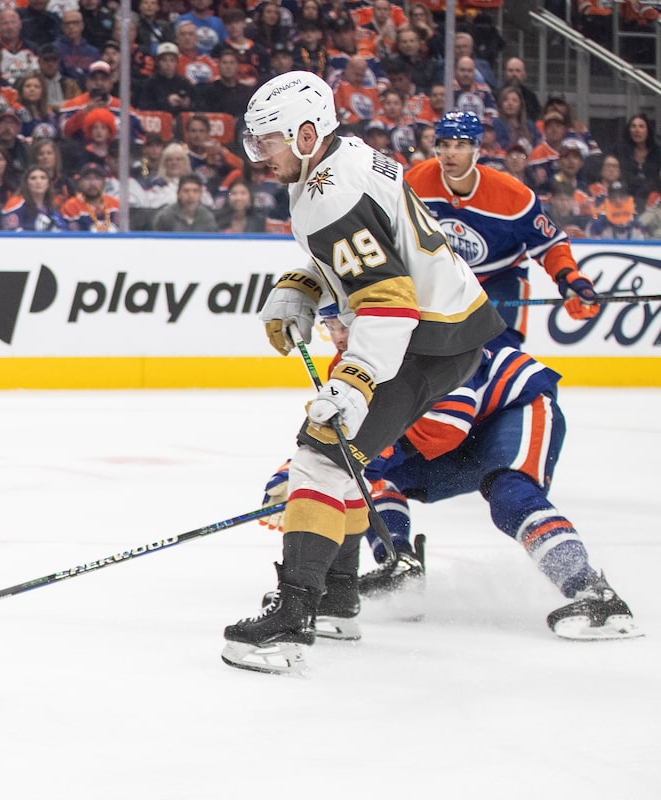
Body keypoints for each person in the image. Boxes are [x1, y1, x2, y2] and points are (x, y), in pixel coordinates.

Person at [222, 71, 505, 675]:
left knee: (322, 454)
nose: (258, 155)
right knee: (342, 458)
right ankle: (337, 598)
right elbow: (367, 251)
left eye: (267, 141)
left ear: (306, 135)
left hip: (424, 338)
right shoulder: (342, 158)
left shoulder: (330, 193)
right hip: (443, 328)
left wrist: (355, 382)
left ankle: (294, 618)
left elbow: (388, 301)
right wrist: (305, 283)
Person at [262, 304, 640, 641]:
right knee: (370, 481)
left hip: (509, 410)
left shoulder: (421, 342)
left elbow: (448, 422)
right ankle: (401, 566)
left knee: (511, 495)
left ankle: (596, 595)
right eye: (330, 326)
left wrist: (364, 461)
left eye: (344, 324)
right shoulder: (349, 365)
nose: (339, 337)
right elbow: (339, 440)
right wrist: (294, 478)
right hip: (446, 436)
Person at [404, 112, 602, 350]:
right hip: (442, 281)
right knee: (433, 362)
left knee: (500, 357)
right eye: (444, 144)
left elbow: (549, 243)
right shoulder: (415, 182)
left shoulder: (512, 196)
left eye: (461, 145)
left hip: (499, 279)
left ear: (477, 149)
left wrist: (568, 278)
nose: (450, 153)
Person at [1, 165, 66, 231]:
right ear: (26, 183)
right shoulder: (16, 203)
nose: (38, 182)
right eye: (33, 178)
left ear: (48, 184)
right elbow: (11, 232)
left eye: (43, 178)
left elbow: (63, 233)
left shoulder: (53, 211)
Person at [60, 163, 120, 232]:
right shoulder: (71, 206)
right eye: (87, 178)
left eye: (97, 178)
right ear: (80, 182)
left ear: (104, 182)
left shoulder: (115, 204)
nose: (92, 183)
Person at [149, 173, 217, 232]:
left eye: (195, 191)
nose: (191, 196)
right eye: (186, 191)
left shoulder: (207, 217)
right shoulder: (166, 216)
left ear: (201, 194)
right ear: (178, 194)